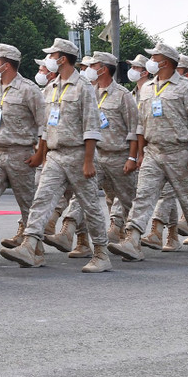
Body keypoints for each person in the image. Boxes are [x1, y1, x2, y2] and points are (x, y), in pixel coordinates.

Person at [1, 38, 111, 273]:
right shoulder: (50, 88)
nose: (50, 59)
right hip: (54, 155)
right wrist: (42, 153)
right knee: (42, 200)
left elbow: (92, 126)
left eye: (53, 55)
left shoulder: (83, 87)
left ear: (63, 58)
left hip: (78, 154)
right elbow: (45, 126)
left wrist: (89, 160)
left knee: (90, 205)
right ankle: (30, 246)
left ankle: (101, 253)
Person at [109, 44, 188, 266]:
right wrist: (141, 153)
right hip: (153, 152)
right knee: (143, 197)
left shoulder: (187, 88)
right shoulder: (147, 88)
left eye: (154, 57)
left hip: (179, 152)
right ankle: (132, 241)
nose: (151, 60)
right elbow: (141, 124)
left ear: (165, 61)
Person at [54, 50, 138, 253]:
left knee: (128, 201)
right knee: (81, 195)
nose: (89, 70)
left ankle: (133, 239)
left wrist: (132, 157)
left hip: (119, 156)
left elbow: (135, 129)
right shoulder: (89, 91)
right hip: (97, 156)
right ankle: (68, 231)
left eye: (94, 66)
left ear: (104, 69)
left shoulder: (123, 95)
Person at [0, 43, 46, 258]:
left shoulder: (29, 89)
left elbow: (43, 126)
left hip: (21, 154)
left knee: (28, 206)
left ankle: (35, 249)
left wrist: (39, 154)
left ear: (6, 65)